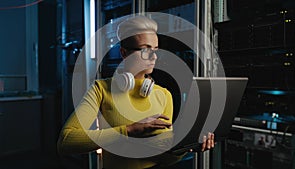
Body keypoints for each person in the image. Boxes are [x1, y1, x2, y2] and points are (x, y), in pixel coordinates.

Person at [57, 15, 214, 169]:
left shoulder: (164, 95)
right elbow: (66, 142)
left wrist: (186, 146)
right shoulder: (101, 90)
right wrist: (129, 130)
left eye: (156, 50)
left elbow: (165, 158)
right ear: (124, 53)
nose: (153, 57)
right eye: (145, 49)